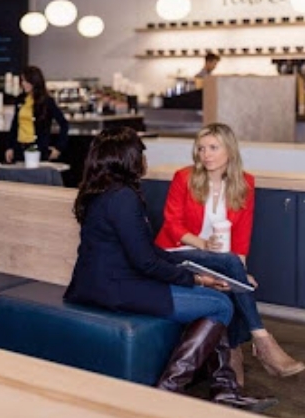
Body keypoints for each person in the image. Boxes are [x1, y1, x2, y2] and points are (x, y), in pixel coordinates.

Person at [64, 127, 274, 411]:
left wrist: (190, 272)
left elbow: (145, 252)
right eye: (141, 153)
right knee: (221, 306)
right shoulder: (123, 197)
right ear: (128, 158)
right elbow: (145, 262)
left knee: (218, 298)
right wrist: (196, 278)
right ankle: (169, 390)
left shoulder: (99, 192)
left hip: (98, 284)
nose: (144, 159)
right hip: (117, 288)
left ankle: (225, 390)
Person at [155, 123, 304, 384]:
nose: (206, 154)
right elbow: (172, 224)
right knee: (230, 267)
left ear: (229, 150)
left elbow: (242, 235)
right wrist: (204, 245)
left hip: (219, 260)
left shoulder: (245, 182)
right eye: (201, 148)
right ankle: (262, 342)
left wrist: (241, 273)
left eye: (213, 147)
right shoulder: (184, 177)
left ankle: (234, 350)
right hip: (176, 252)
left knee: (233, 276)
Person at [4, 66, 68, 164]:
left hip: (38, 150)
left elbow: (64, 124)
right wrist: (10, 147)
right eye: (22, 81)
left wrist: (59, 147)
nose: (23, 84)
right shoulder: (20, 100)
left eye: (26, 81)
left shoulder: (47, 102)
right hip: (19, 150)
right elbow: (15, 125)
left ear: (34, 82)